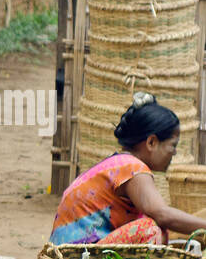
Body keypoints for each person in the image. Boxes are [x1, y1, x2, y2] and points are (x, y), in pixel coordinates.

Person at [50, 94, 206, 245]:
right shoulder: (133, 167)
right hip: (77, 257)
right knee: (150, 229)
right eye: (172, 145)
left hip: (72, 251)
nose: (174, 153)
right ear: (151, 142)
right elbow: (163, 214)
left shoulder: (120, 163)